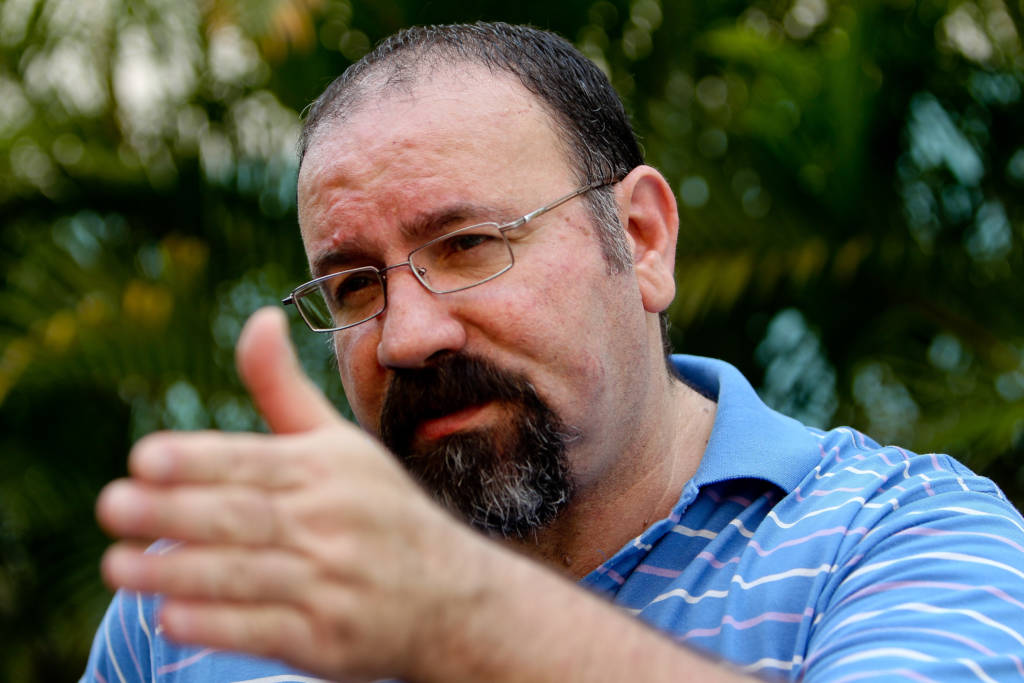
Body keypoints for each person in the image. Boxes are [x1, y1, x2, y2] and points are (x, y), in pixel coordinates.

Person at [81, 22, 1024, 683]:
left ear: (644, 239)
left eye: (469, 245)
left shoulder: (899, 541)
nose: (408, 336)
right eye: (356, 286)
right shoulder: (203, 605)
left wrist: (468, 616)